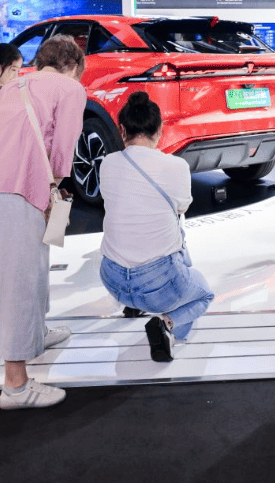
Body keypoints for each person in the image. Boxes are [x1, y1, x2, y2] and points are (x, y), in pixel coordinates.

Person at [0, 38, 87, 410]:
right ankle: (16, 386)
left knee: (31, 266)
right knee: (21, 281)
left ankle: (36, 332)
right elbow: (64, 147)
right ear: (73, 67)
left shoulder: (12, 87)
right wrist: (55, 185)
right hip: (19, 188)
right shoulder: (69, 88)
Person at [98, 91, 215, 362]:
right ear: (160, 130)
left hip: (112, 279)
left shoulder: (107, 164)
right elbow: (182, 207)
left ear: (122, 130)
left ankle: (132, 307)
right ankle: (167, 325)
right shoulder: (176, 166)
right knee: (204, 295)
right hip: (159, 284)